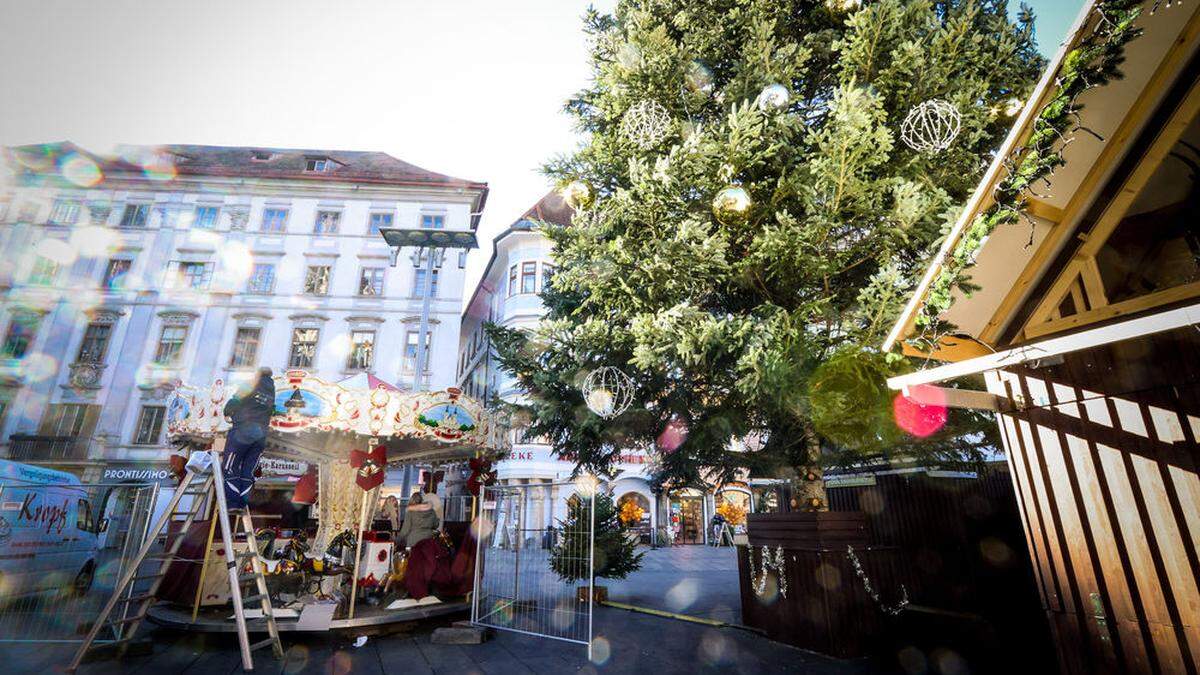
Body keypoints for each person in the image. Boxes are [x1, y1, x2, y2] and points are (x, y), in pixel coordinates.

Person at [222, 367, 276, 510]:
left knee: (230, 467)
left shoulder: (251, 383)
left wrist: (227, 411)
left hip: (242, 431)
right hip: (261, 435)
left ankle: (233, 503)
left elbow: (235, 400)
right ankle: (243, 503)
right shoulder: (271, 390)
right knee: (248, 471)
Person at [399, 492, 450, 599]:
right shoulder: (430, 511)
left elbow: (405, 530)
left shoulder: (410, 512)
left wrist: (397, 539)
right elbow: (436, 524)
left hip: (413, 542)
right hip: (428, 541)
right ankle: (427, 587)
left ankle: (410, 590)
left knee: (411, 567)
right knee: (426, 567)